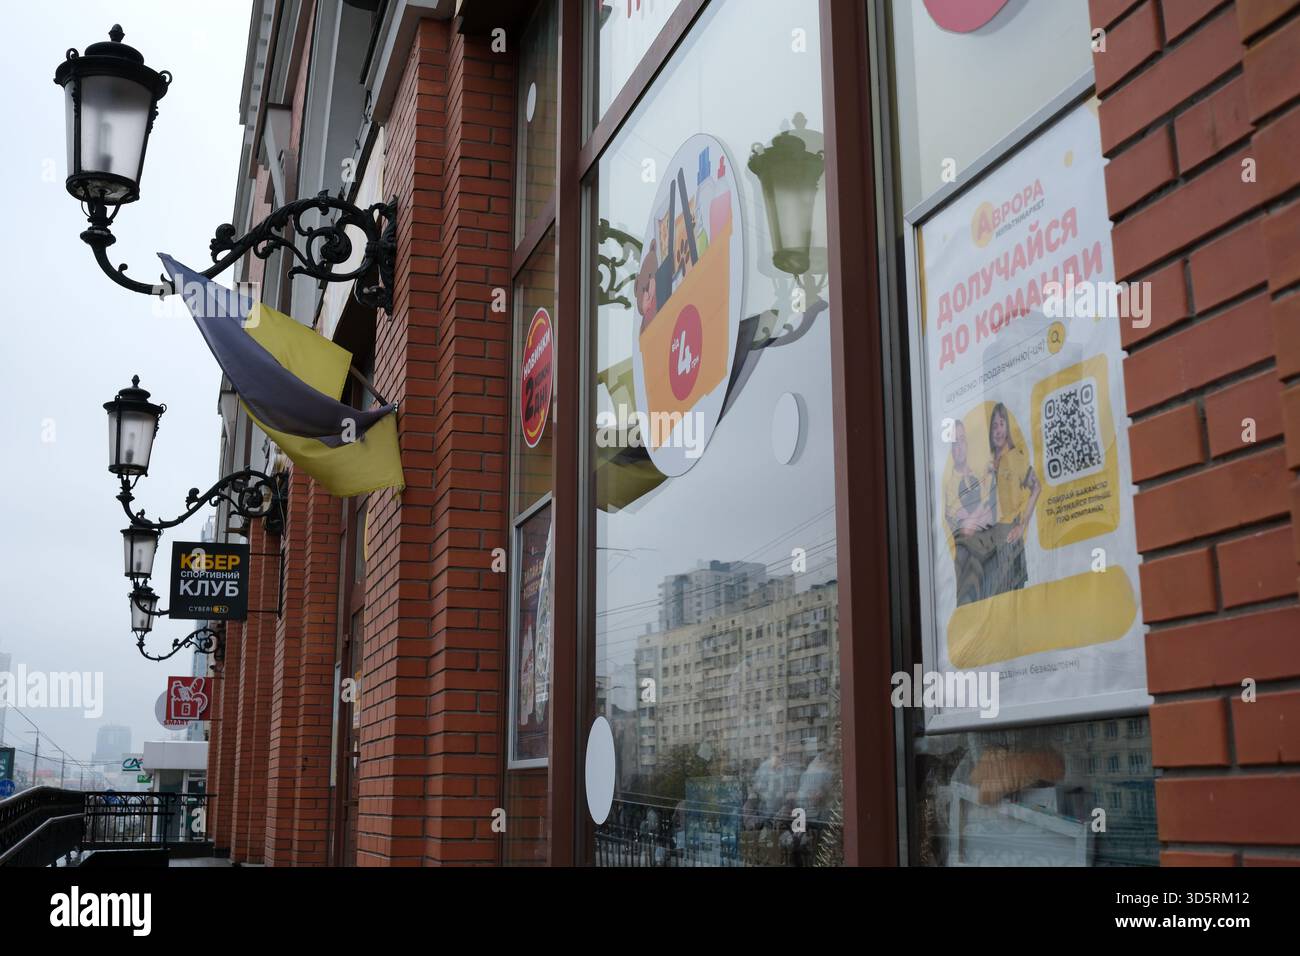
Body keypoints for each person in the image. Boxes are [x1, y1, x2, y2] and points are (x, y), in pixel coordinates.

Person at [986, 402, 1040, 596]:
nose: (998, 430)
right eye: (994, 425)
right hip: (995, 541)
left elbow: (1036, 487)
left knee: (1012, 600)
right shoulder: (994, 464)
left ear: (1008, 428)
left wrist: (1022, 525)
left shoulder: (1015, 457)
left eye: (1002, 424)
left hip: (1009, 538)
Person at [942, 420, 996, 605]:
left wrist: (977, 515)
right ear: (951, 449)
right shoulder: (950, 487)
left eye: (962, 440)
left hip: (988, 560)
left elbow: (990, 517)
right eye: (955, 442)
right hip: (968, 570)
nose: (959, 446)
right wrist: (983, 505)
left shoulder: (977, 475)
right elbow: (966, 530)